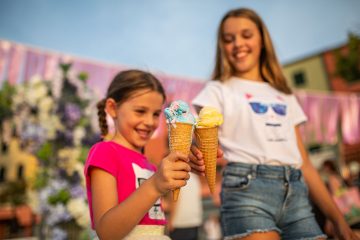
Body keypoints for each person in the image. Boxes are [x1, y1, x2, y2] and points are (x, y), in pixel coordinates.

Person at [189, 7, 358, 240]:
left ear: (262, 40)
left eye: (246, 35)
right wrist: (196, 148)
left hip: (297, 195)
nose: (237, 43)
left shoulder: (284, 95)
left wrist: (338, 219)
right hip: (246, 191)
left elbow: (305, 163)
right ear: (222, 47)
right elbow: (202, 134)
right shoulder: (217, 90)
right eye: (229, 39)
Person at [84, 70, 191, 239]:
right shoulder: (105, 152)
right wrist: (155, 185)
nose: (150, 122)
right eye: (140, 111)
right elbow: (106, 231)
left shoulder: (149, 164)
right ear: (112, 108)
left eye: (156, 114)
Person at [166, 172, 203, 240]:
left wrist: (171, 220)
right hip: (194, 221)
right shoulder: (194, 177)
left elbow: (175, 199)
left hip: (180, 223)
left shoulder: (176, 176)